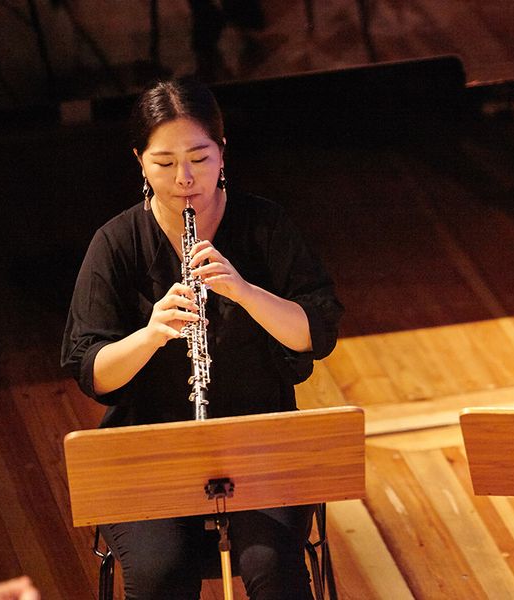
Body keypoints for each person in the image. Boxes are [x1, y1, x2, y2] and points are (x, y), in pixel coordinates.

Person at [61, 77, 343, 600]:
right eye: (164, 163)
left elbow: (316, 333)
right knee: (161, 572)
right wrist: (150, 335)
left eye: (199, 157)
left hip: (258, 441)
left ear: (223, 153)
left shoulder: (266, 225)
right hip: (149, 450)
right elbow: (91, 370)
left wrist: (244, 292)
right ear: (140, 163)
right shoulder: (115, 243)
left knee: (271, 566)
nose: (184, 178)